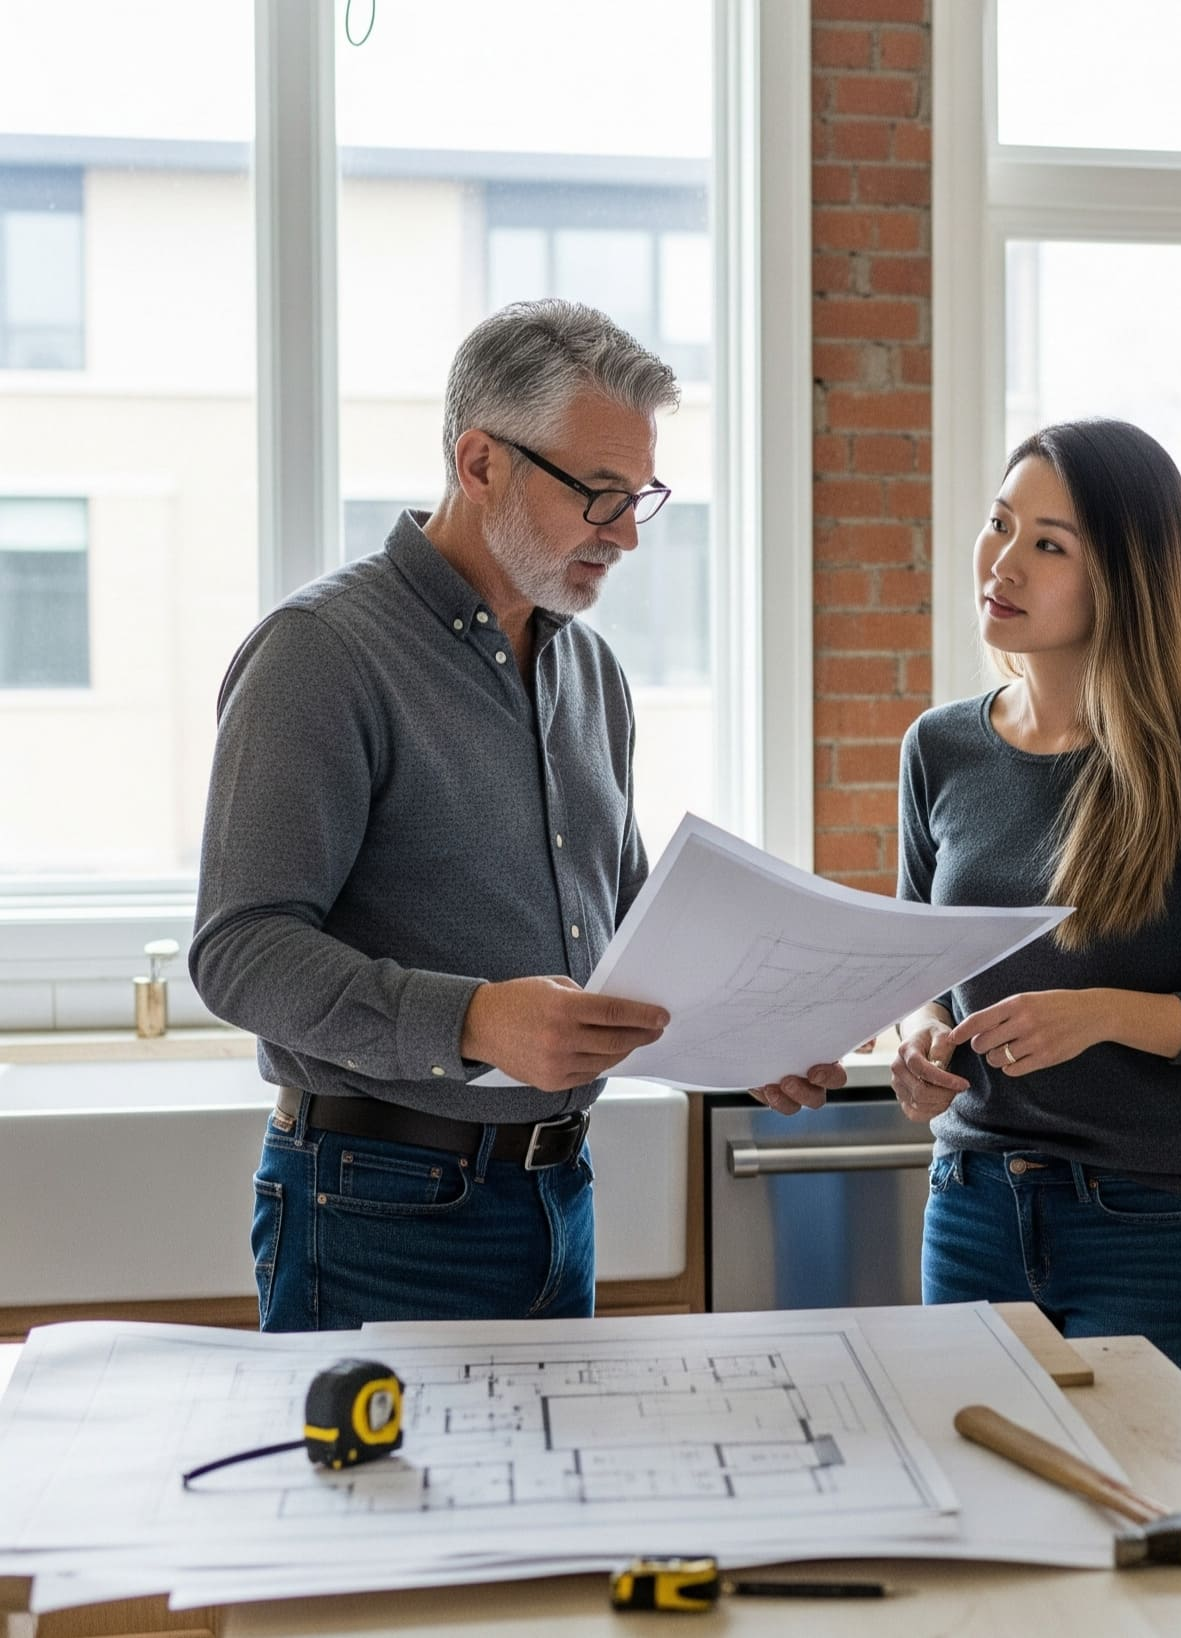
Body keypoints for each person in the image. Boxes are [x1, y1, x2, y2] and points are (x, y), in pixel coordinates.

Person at [191, 299, 842, 1332]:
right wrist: (473, 1020)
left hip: (557, 1199)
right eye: (597, 494)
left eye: (638, 497)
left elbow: (625, 932)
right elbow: (240, 953)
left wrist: (738, 1038)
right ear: (479, 461)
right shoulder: (321, 654)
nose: (625, 534)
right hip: (375, 1206)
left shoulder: (590, 671)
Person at [888, 418, 1181, 1405]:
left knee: (1140, 1536)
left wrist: (1103, 1015)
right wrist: (919, 1046)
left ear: (1120, 577)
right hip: (972, 1209)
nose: (1001, 561)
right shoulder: (938, 747)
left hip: (1151, 1228)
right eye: (999, 525)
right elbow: (917, 969)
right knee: (990, 1523)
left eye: (1048, 544)